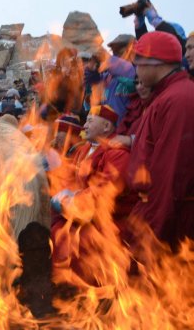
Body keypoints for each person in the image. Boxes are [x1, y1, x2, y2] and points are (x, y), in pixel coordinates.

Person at [51, 105, 136, 284]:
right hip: (79, 213)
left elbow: (104, 190)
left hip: (107, 220)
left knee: (71, 239)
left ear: (106, 127)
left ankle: (86, 288)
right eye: (86, 119)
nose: (85, 125)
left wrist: (71, 201)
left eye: (90, 120)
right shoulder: (85, 148)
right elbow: (70, 178)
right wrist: (61, 194)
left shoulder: (118, 154)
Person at [127, 31, 194, 249]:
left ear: (154, 64)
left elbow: (171, 173)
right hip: (158, 211)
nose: (135, 69)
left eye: (138, 61)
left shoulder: (178, 100)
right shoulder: (167, 96)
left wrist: (153, 235)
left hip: (176, 224)